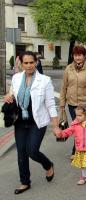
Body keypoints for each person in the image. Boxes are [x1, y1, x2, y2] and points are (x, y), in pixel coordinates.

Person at [4, 51, 60, 194]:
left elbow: (50, 104)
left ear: (36, 63)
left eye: (31, 62)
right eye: (25, 63)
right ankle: (25, 182)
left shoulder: (45, 80)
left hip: (37, 122)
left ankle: (48, 165)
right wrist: (9, 97)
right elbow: (12, 94)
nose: (29, 66)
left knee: (32, 151)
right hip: (20, 122)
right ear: (21, 64)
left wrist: (55, 126)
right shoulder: (16, 78)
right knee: (21, 153)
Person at [55, 105, 86, 185]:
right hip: (79, 148)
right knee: (82, 163)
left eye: (80, 115)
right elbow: (68, 131)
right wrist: (61, 134)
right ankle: (84, 176)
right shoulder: (75, 124)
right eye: (76, 115)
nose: (77, 117)